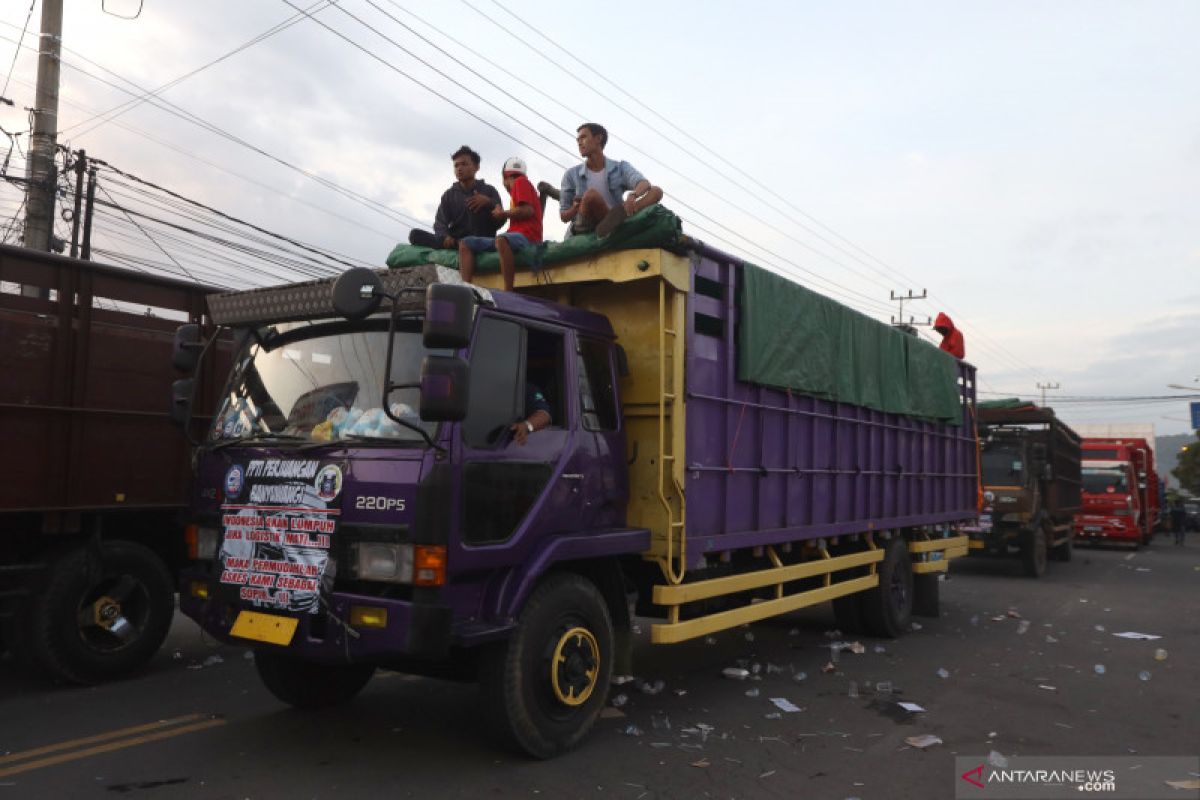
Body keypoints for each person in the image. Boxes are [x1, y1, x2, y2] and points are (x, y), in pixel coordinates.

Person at [559, 122, 663, 238]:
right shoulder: (571, 174)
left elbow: (643, 183)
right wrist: (575, 208)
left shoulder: (619, 167)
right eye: (577, 140)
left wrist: (633, 196)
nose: (579, 143)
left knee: (656, 191)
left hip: (612, 217)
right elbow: (564, 216)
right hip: (585, 224)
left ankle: (618, 219)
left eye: (583, 137)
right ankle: (614, 223)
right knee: (591, 195)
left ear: (598, 139)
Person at [458, 157, 542, 291]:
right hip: (513, 236)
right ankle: (465, 290)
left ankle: (508, 291)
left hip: (528, 238)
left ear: (505, 177)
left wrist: (503, 213)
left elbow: (528, 210)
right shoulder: (522, 185)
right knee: (465, 244)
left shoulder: (520, 182)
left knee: (501, 240)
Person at [407, 146, 503, 250]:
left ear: (476, 167)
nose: (459, 169)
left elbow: (501, 219)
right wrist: (445, 237)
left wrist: (488, 202)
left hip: (482, 241)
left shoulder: (489, 190)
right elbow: (440, 223)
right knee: (415, 235)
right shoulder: (449, 195)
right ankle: (456, 246)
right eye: (456, 166)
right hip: (456, 243)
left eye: (464, 164)